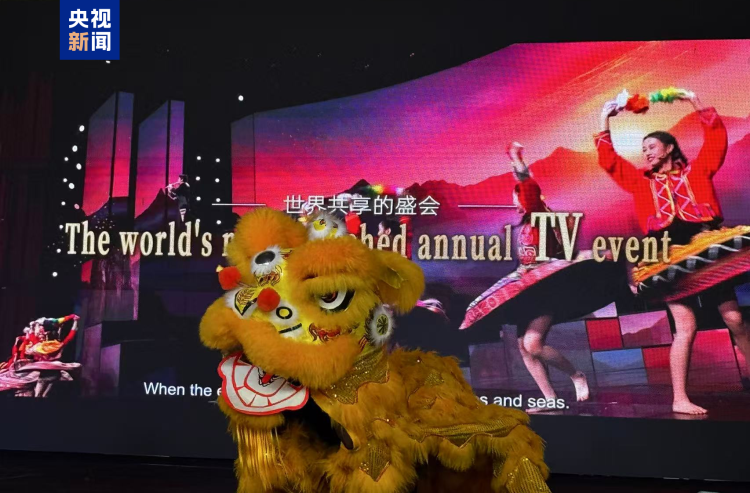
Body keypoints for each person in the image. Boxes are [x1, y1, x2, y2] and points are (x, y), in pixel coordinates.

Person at [596, 89, 750, 415]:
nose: (647, 153)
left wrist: (694, 100)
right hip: (666, 258)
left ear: (669, 148)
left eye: (651, 147)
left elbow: (716, 139)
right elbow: (610, 161)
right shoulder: (641, 182)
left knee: (735, 319)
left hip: (706, 252)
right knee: (685, 326)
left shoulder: (698, 170)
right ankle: (680, 397)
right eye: (643, 149)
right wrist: (604, 118)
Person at [461, 143, 627, 410]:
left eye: (517, 199)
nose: (515, 204)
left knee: (533, 344)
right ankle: (550, 399)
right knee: (523, 348)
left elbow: (528, 188)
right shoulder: (528, 224)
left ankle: (576, 375)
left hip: (546, 290)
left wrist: (516, 160)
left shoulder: (539, 215)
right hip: (527, 290)